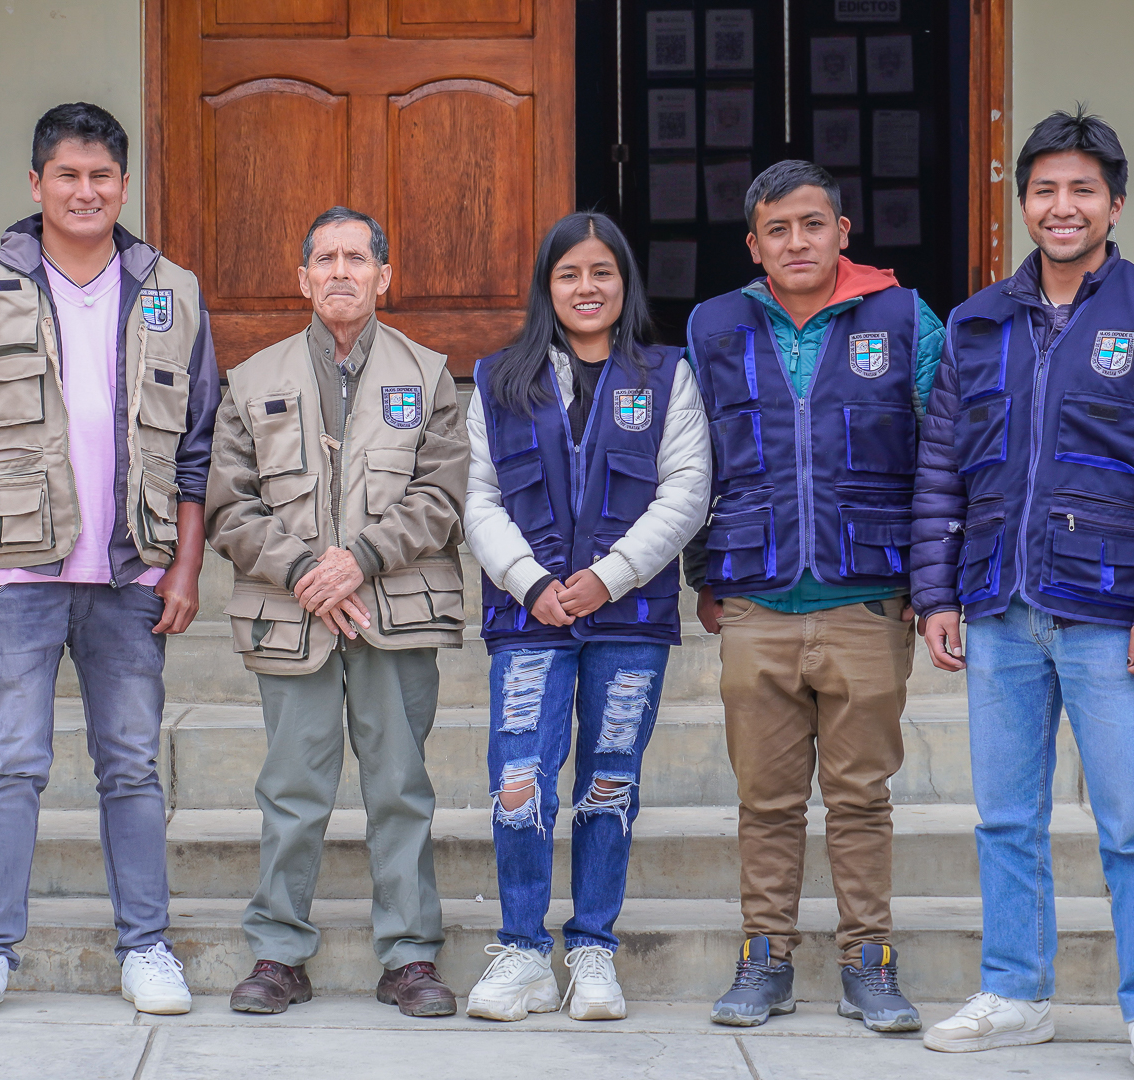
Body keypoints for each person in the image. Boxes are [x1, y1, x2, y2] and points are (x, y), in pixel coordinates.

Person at [914, 109, 1134, 1080]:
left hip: (1107, 615)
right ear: (1023, 205)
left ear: (1114, 204)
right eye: (1044, 189)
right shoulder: (975, 325)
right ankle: (1015, 993)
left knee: (1129, 821)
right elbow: (940, 468)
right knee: (1005, 818)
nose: (1062, 206)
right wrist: (936, 591)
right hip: (998, 610)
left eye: (1081, 189)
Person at [0, 102, 217, 1019]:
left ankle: (147, 947)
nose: (86, 192)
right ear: (35, 183)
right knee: (12, 762)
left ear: (125, 186)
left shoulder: (174, 292)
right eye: (67, 176)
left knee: (130, 763)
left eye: (103, 177)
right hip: (11, 575)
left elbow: (197, 449)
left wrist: (187, 567)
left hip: (130, 577)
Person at [682, 160, 944, 1032]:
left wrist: (931, 579)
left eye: (813, 224)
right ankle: (766, 959)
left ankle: (869, 961)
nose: (798, 242)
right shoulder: (713, 326)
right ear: (754, 245)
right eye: (778, 230)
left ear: (842, 230)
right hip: (757, 600)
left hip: (870, 600)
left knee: (862, 795)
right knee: (766, 797)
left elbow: (948, 457)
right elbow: (690, 464)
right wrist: (704, 574)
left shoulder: (905, 320)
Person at [206, 206, 467, 1017]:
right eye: (327, 259)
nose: (343, 271)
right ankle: (280, 952)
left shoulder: (428, 375)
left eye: (360, 258)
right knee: (291, 788)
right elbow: (227, 506)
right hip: (295, 617)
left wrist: (361, 560)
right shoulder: (253, 380)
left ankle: (410, 955)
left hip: (395, 611)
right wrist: (306, 572)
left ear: (385, 276)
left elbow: (442, 494)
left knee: (400, 786)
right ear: (304, 278)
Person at [460, 213, 709, 1022]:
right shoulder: (499, 379)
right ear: (547, 286)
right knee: (519, 779)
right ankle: (525, 952)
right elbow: (479, 497)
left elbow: (686, 491)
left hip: (628, 618)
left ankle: (594, 949)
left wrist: (607, 577)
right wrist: (532, 583)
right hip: (528, 618)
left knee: (610, 782)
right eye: (570, 274)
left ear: (625, 282)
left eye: (602, 272)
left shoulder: (667, 375)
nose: (587, 288)